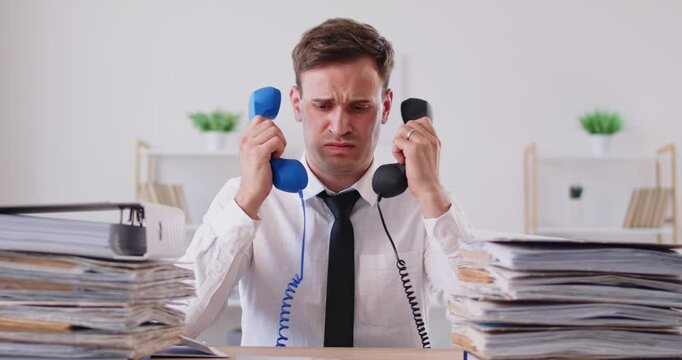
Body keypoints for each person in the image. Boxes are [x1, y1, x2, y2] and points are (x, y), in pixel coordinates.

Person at [179, 17, 472, 348]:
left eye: (359, 107)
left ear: (386, 107)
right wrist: (248, 201)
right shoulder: (242, 197)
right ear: (296, 105)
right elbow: (179, 321)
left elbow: (483, 318)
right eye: (323, 105)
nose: (340, 125)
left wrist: (432, 194)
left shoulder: (425, 202)